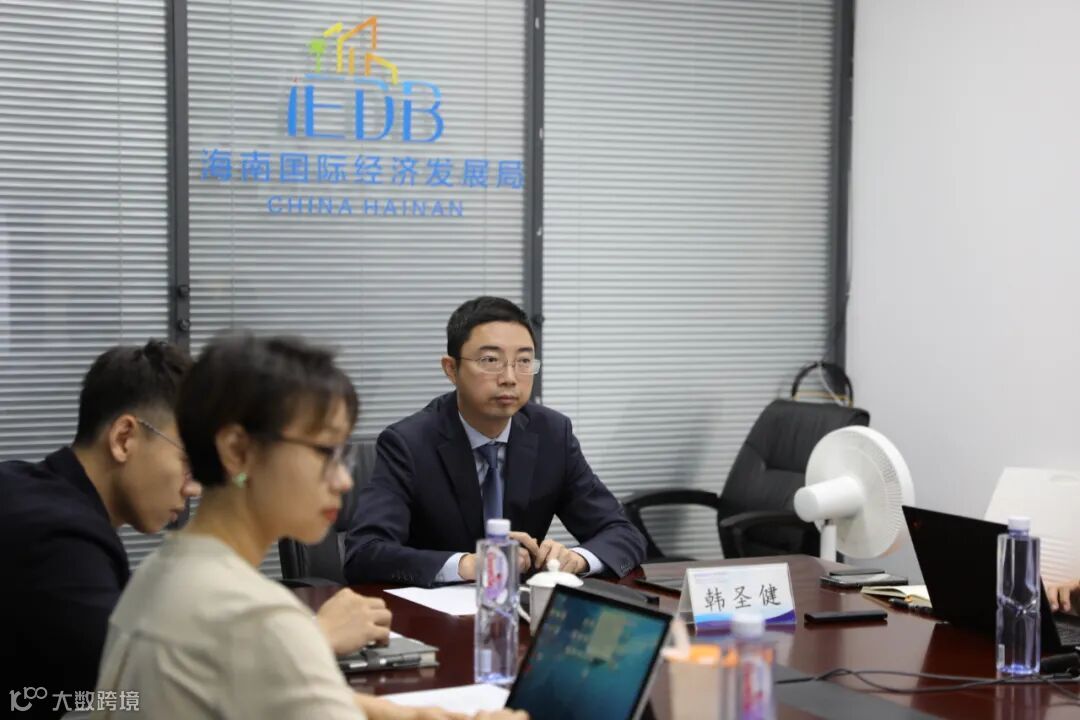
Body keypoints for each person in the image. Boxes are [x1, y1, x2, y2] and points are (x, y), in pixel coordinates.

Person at [92, 334, 524, 720]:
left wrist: (399, 714)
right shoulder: (257, 618)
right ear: (238, 450)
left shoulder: (164, 572)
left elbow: (258, 690)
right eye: (324, 452)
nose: (344, 480)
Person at [0, 340, 389, 719]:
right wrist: (304, 642)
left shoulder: (156, 571)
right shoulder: (57, 537)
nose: (194, 488)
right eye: (325, 452)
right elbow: (123, 691)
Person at [343, 296, 646, 587]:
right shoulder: (408, 444)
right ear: (451, 369)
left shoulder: (552, 434)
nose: (510, 377)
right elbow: (365, 552)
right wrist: (468, 565)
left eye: (524, 361)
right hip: (432, 612)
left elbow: (622, 533)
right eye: (490, 360)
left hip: (520, 610)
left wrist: (576, 559)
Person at [0, 341, 201, 717]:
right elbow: (148, 689)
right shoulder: (60, 539)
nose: (194, 488)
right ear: (124, 438)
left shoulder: (24, 487)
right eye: (189, 461)